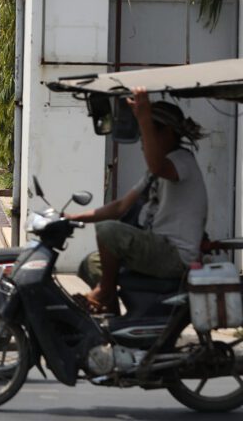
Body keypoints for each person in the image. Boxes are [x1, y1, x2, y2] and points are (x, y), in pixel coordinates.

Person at [65, 88, 207, 314]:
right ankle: (114, 322)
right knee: (90, 263)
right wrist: (72, 218)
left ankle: (105, 291)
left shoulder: (181, 161)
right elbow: (121, 206)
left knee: (108, 231)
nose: (143, 140)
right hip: (156, 245)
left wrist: (142, 117)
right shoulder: (157, 170)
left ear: (167, 133)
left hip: (174, 254)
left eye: (149, 132)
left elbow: (157, 166)